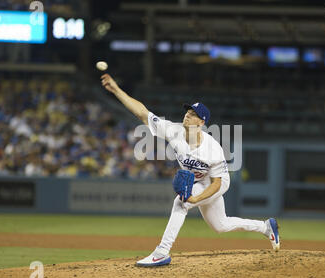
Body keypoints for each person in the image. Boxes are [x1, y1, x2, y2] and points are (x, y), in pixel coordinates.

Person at [101, 74, 280, 267]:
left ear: (201, 123)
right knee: (220, 225)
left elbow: (217, 183)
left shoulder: (212, 149)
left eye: (193, 114)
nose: (188, 114)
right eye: (188, 111)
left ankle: (161, 252)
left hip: (215, 183)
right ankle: (265, 227)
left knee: (181, 203)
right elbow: (142, 113)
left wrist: (194, 199)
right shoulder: (173, 131)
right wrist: (117, 90)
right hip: (198, 182)